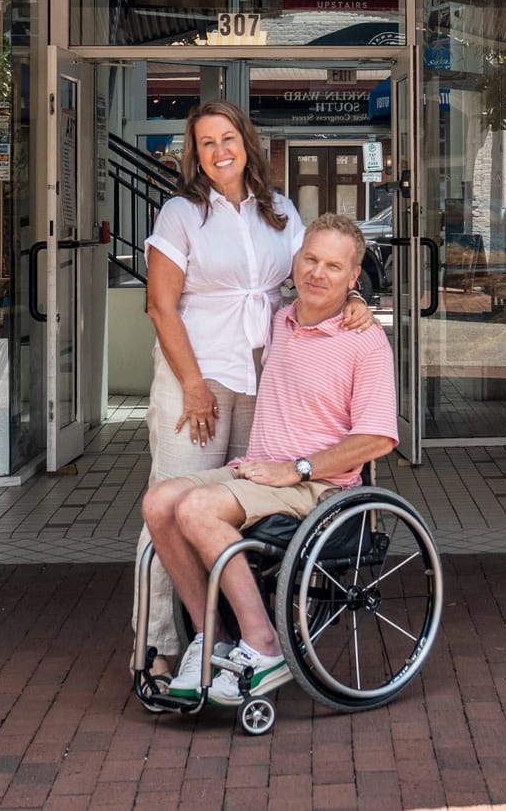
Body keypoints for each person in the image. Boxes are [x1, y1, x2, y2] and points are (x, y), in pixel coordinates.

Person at [137, 101, 370, 677]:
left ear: (246, 142)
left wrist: (358, 301)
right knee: (166, 510)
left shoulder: (281, 210)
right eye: (207, 143)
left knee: (232, 511)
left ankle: (243, 640)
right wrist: (193, 386)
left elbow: (317, 275)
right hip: (199, 380)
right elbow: (160, 306)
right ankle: (165, 645)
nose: (220, 151)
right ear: (195, 153)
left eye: (228, 138)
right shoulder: (181, 214)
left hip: (262, 380)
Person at [141, 213, 398, 705]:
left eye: (334, 267)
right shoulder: (278, 320)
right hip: (260, 473)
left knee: (197, 509)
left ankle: (263, 645)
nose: (318, 274)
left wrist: (297, 468)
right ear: (294, 262)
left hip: (317, 488)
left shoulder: (365, 342)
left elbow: (378, 439)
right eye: (311, 259)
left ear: (353, 277)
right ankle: (210, 639)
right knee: (159, 503)